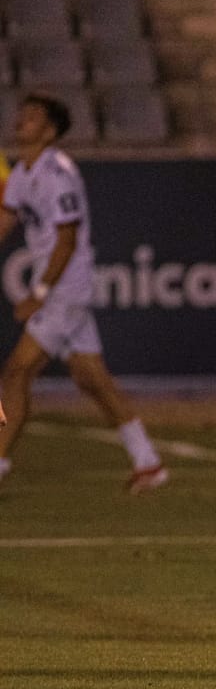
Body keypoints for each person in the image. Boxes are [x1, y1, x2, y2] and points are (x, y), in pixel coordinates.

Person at [0, 93, 167, 493]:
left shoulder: (57, 174)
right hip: (59, 288)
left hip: (64, 290)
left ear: (51, 131)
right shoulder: (23, 171)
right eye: (24, 113)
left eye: (34, 116)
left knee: (18, 371)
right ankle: (148, 463)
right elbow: (6, 217)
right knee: (92, 379)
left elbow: (67, 241)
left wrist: (40, 292)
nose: (23, 119)